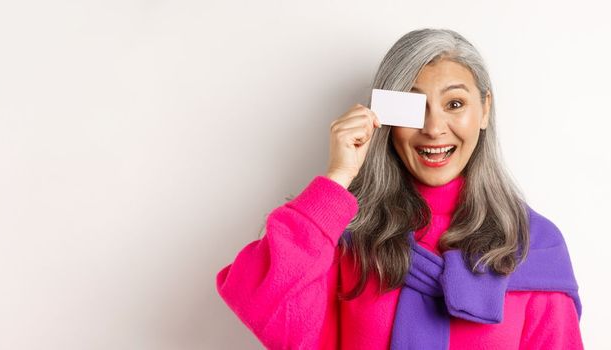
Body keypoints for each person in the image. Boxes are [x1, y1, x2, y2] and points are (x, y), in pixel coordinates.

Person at [215, 28, 584, 349]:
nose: (434, 128)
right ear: (387, 115)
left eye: (455, 104)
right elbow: (265, 298)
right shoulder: (348, 235)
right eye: (413, 106)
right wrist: (339, 175)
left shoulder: (534, 244)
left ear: (485, 110)